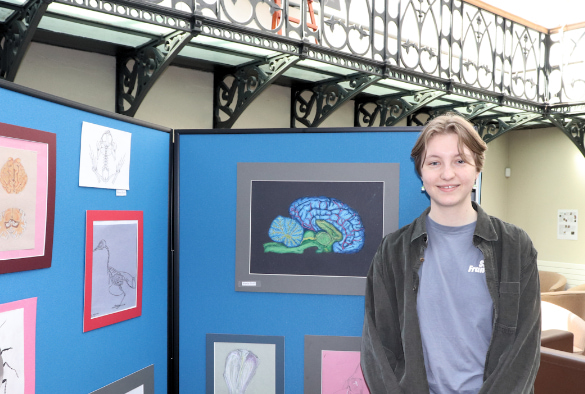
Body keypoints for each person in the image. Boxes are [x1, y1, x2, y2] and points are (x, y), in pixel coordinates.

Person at [360, 114, 541, 394]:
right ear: (421, 172)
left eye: (460, 160)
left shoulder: (515, 248)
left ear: (477, 168)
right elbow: (377, 350)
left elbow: (523, 352)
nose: (447, 174)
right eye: (434, 163)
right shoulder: (392, 252)